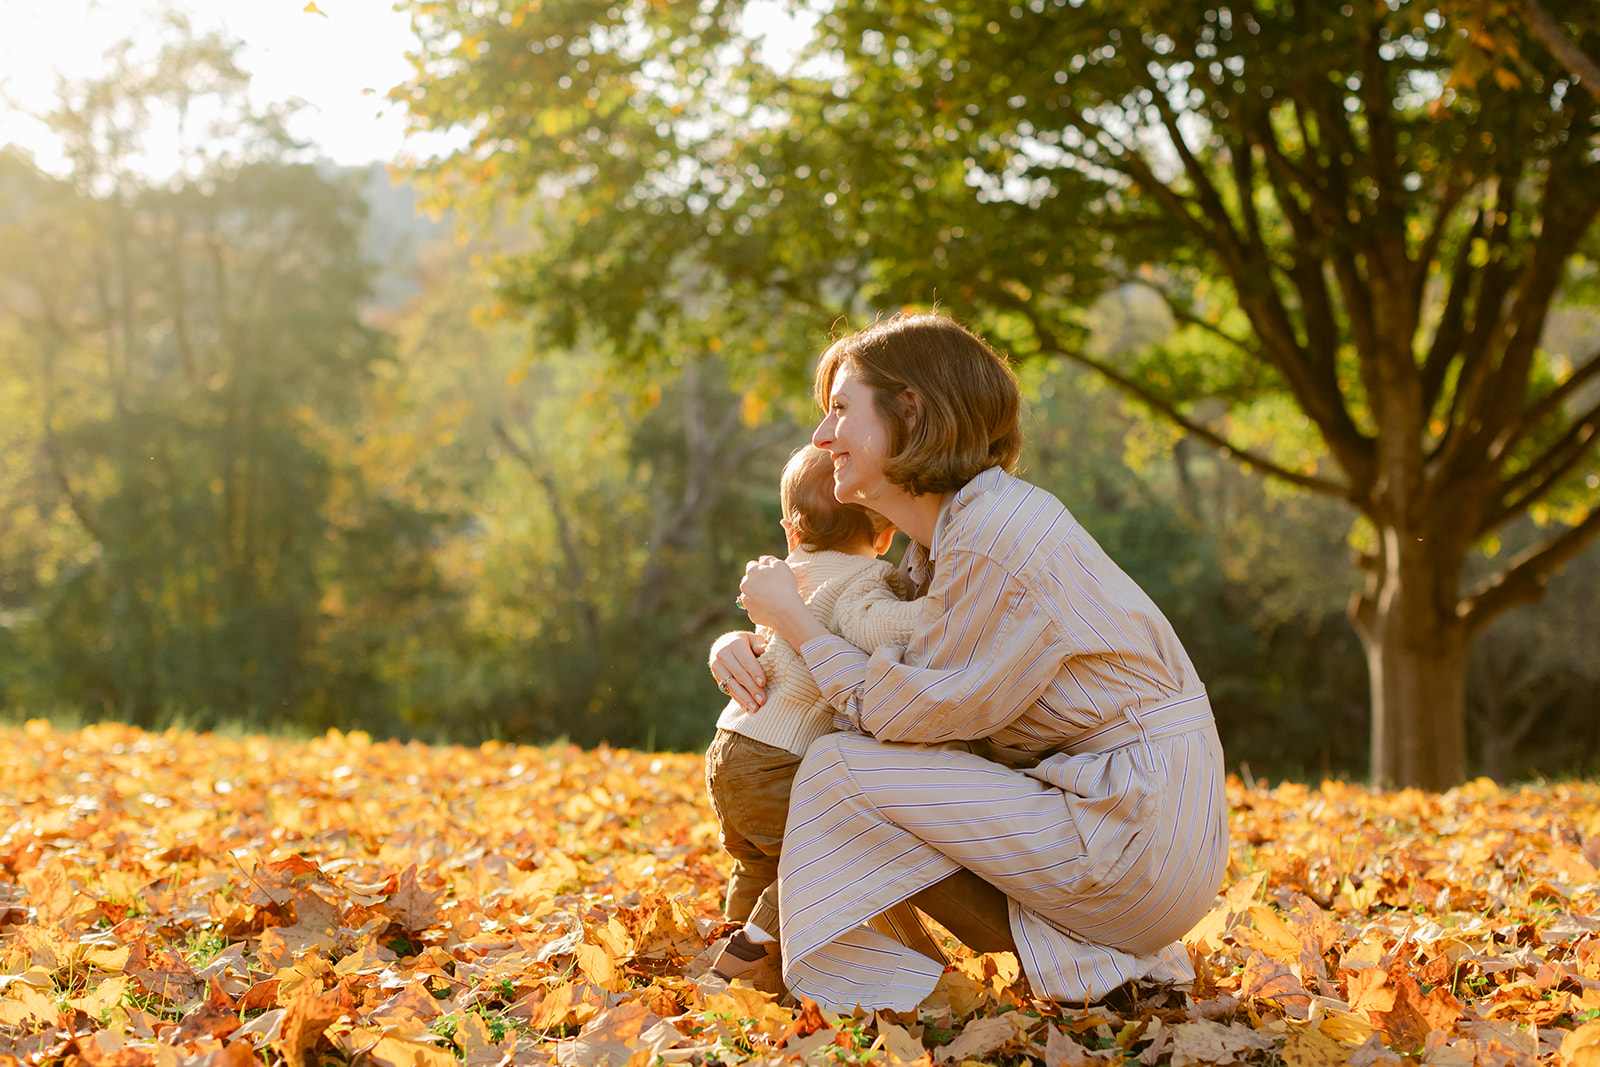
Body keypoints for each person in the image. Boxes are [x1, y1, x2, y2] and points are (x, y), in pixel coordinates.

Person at [708, 313, 1228, 1012]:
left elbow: (900, 713)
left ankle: (928, 996)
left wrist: (796, 625)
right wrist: (750, 643)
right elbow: (886, 653)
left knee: (840, 767)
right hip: (1124, 818)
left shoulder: (990, 540)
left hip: (1133, 835)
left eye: (839, 411)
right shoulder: (957, 536)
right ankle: (1085, 967)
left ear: (910, 412)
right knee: (857, 767)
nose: (820, 436)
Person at [704, 444, 932, 994]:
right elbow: (880, 628)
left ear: (791, 531)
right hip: (780, 761)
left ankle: (746, 986)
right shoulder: (865, 581)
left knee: (755, 864)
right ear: (883, 537)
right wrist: (936, 606)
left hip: (731, 748)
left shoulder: (790, 575)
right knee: (810, 862)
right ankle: (747, 954)